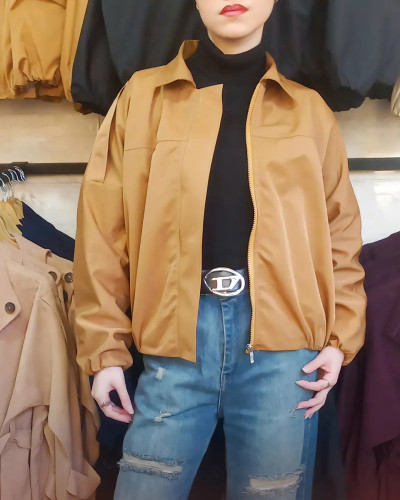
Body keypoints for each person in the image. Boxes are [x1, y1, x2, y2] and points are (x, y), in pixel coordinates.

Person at [73, 1, 367, 499]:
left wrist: (340, 340)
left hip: (283, 354)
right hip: (174, 345)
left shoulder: (309, 112)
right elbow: (103, 231)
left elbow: (340, 233)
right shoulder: (142, 100)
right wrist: (104, 352)